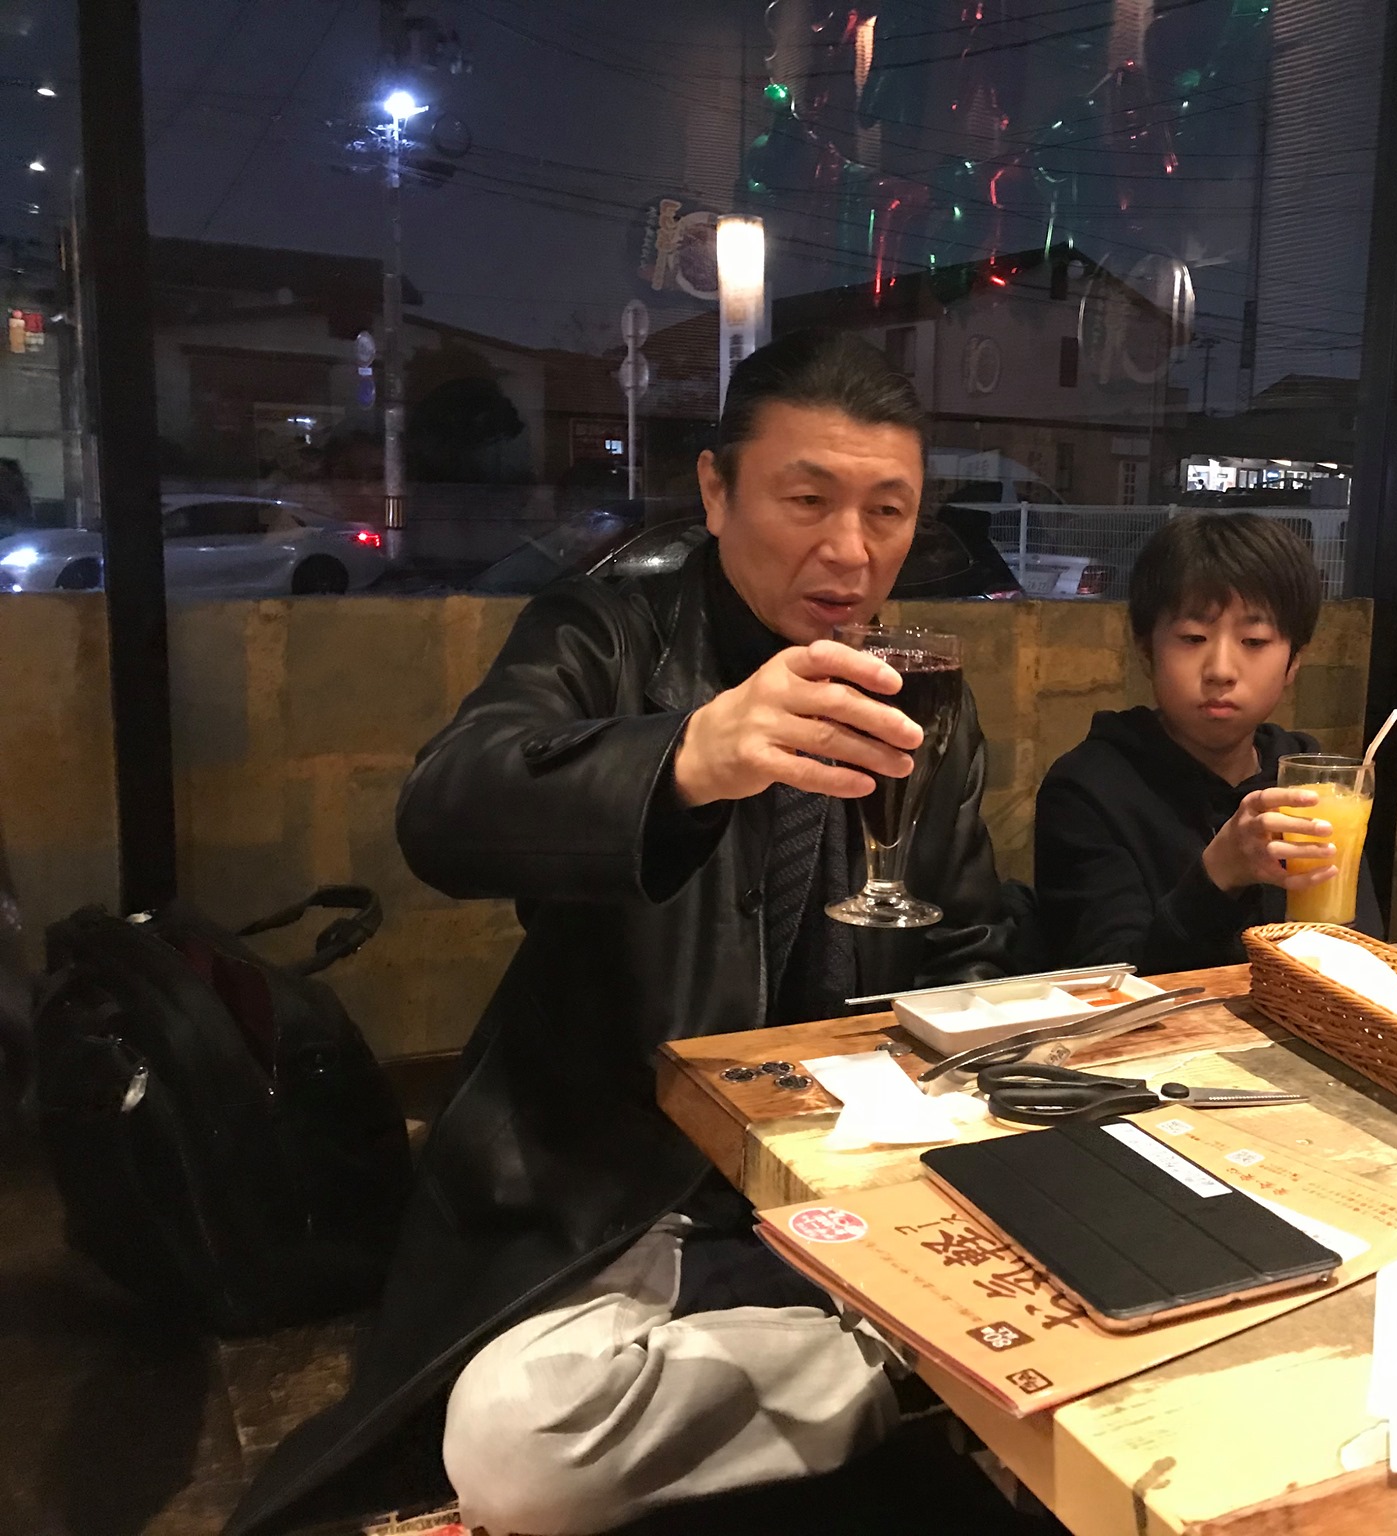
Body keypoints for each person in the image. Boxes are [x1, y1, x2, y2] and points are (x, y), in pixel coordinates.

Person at [227, 331, 1010, 1536]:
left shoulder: (920, 702)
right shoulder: (606, 635)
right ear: (716, 491)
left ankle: (870, 1351)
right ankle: (897, 1367)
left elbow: (962, 951)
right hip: (621, 1191)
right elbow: (447, 809)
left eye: (886, 511)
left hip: (848, 1180)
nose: (850, 551)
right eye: (806, 500)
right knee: (518, 1445)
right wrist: (688, 754)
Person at [1033, 512, 1384, 973]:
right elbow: (1105, 983)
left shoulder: (1311, 785)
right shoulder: (1088, 789)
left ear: (1294, 661)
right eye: (1193, 637)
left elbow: (1365, 955)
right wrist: (1218, 874)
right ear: (1147, 650)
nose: (1220, 669)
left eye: (1254, 641)